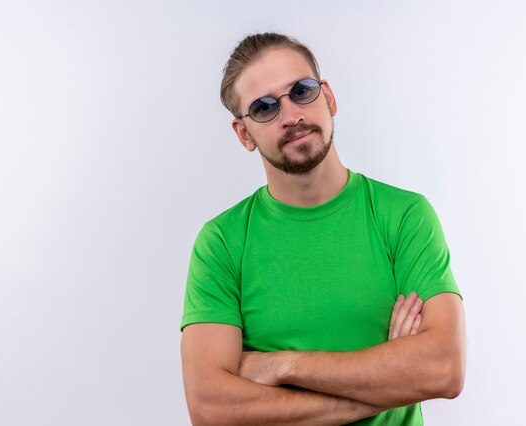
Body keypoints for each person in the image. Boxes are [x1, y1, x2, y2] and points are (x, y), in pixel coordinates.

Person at [180, 32, 466, 425]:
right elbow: (210, 408)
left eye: (301, 91)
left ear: (327, 97)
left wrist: (285, 366)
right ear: (244, 133)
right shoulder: (222, 243)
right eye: (264, 108)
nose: (291, 114)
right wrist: (389, 383)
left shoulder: (404, 216)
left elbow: (443, 369)